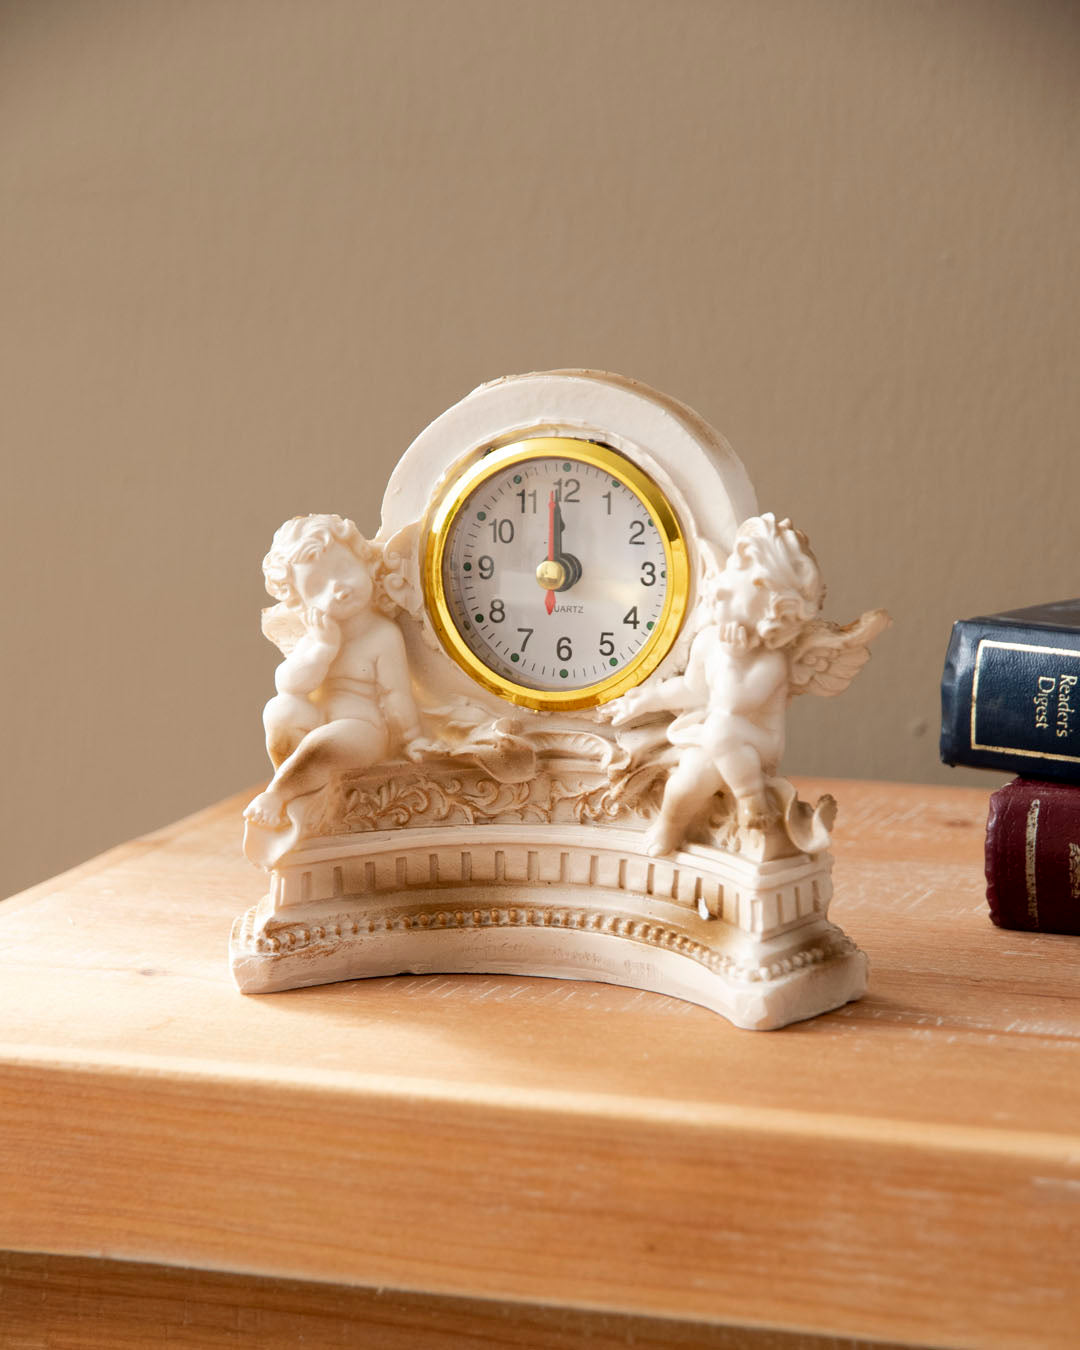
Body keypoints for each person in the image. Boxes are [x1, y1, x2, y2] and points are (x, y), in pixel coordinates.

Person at [612, 514, 824, 856]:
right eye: (723, 583)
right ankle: (670, 825)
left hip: (754, 744)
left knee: (720, 730)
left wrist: (735, 658)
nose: (719, 592)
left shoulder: (771, 663)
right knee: (684, 786)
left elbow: (732, 706)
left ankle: (752, 800)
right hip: (713, 737)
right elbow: (693, 689)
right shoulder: (709, 641)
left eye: (731, 595)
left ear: (769, 614)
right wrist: (645, 700)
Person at [244, 514, 422, 829]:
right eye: (317, 586)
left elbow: (396, 695)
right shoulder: (317, 637)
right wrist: (323, 649)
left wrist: (411, 739)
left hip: (363, 730)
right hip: (320, 719)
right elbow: (289, 684)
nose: (337, 587)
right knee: (279, 710)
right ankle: (301, 794)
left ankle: (278, 795)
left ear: (365, 562)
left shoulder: (382, 634)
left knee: (328, 741)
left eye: (343, 569)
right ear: (301, 602)